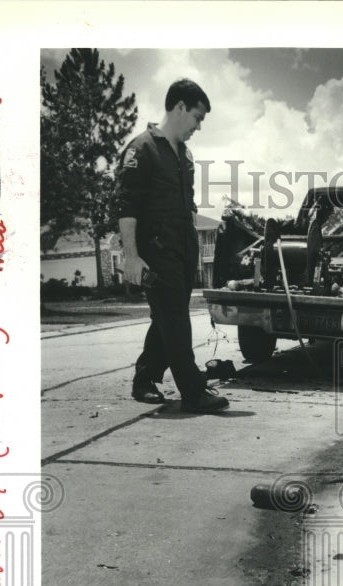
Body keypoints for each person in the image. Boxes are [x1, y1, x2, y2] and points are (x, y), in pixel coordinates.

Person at [115, 79, 228, 413]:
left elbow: (189, 208)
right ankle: (193, 392)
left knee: (167, 318)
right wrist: (132, 257)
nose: (199, 126)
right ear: (179, 107)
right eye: (197, 117)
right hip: (156, 250)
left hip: (183, 249)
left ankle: (144, 379)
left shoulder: (185, 156)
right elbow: (126, 208)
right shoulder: (141, 149)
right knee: (176, 319)